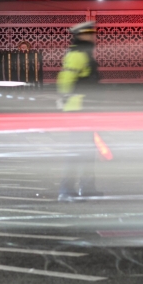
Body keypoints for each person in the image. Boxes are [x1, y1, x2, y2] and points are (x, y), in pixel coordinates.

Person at [56, 21, 101, 201]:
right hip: (78, 110)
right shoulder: (78, 54)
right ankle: (67, 189)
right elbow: (65, 79)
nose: (93, 36)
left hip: (84, 109)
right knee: (78, 151)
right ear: (82, 35)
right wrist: (65, 99)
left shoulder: (84, 53)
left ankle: (86, 187)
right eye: (90, 34)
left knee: (87, 151)